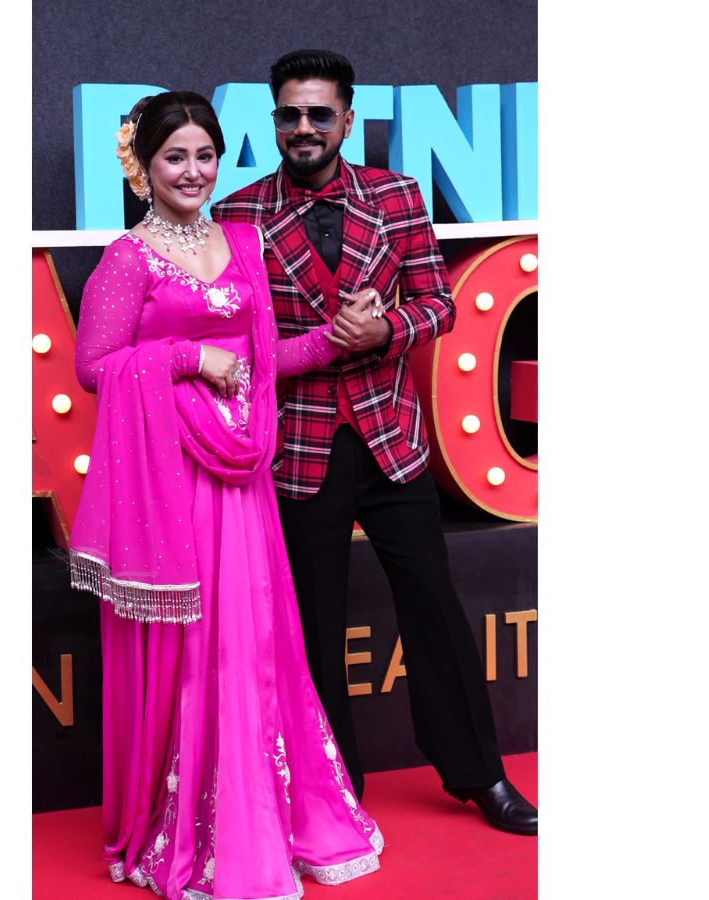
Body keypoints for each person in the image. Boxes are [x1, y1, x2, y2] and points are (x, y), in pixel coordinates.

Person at [210, 50, 538, 836]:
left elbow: (438, 304)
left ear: (348, 120)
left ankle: (481, 775)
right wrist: (323, 341)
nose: (304, 128)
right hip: (298, 450)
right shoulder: (237, 214)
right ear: (273, 121)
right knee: (312, 630)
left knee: (435, 608)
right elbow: (238, 339)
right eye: (290, 115)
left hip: (392, 440)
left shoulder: (398, 196)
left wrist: (387, 327)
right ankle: (333, 792)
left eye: (319, 114)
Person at [69, 90, 384, 900]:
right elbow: (95, 367)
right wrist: (187, 358)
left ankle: (252, 813)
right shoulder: (128, 259)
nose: (192, 172)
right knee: (190, 652)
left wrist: (336, 337)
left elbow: (263, 357)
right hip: (171, 483)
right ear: (143, 167)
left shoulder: (240, 241)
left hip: (240, 482)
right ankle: (190, 826)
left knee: (248, 648)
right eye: (174, 157)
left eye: (205, 155)